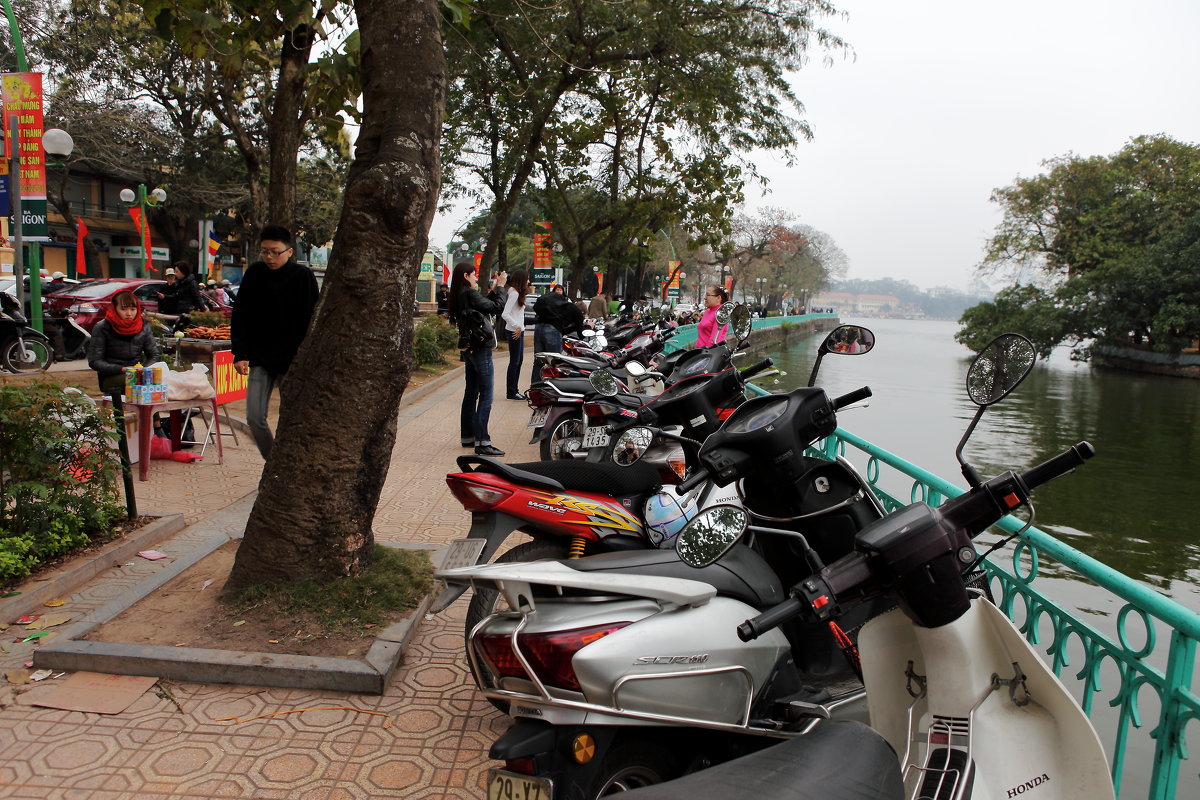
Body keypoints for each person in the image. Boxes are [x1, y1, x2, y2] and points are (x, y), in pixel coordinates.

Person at [231, 225, 320, 458]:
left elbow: (313, 320)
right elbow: (240, 314)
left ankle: (293, 463)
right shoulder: (254, 274)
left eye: (275, 251)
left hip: (293, 359)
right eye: (264, 251)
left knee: (294, 418)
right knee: (254, 417)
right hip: (261, 357)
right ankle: (272, 463)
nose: (269, 257)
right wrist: (240, 353)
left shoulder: (303, 277)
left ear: (290, 252)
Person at [448, 261, 507, 456]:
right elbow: (497, 307)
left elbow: (484, 306)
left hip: (469, 347)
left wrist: (494, 289)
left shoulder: (459, 294)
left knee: (471, 393)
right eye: (473, 275)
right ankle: (483, 441)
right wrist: (500, 287)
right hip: (481, 347)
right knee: (486, 394)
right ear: (466, 276)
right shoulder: (469, 293)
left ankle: (468, 436)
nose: (475, 278)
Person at [87, 290, 160, 399]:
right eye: (124, 309)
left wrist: (143, 370)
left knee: (159, 381)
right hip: (111, 376)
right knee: (140, 381)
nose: (129, 313)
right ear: (115, 309)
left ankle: (153, 416)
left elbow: (154, 355)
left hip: (138, 373)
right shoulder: (102, 327)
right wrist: (122, 369)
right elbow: (95, 361)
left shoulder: (143, 325)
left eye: (133, 309)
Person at [530, 283, 585, 383]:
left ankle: (535, 386)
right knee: (555, 362)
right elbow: (580, 331)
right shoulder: (577, 312)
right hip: (552, 330)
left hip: (539, 328)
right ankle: (554, 387)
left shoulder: (561, 306)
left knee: (538, 362)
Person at [501, 269, 530, 400]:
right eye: (527, 279)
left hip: (519, 330)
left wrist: (521, 327)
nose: (528, 282)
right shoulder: (514, 294)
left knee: (519, 361)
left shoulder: (517, 293)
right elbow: (505, 314)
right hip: (514, 331)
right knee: (515, 361)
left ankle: (515, 389)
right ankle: (511, 392)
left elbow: (518, 315)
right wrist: (517, 326)